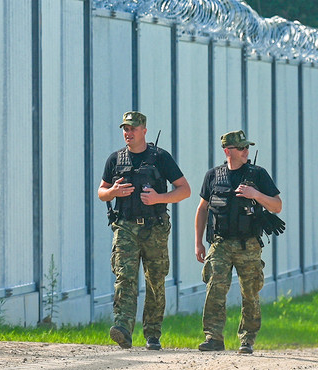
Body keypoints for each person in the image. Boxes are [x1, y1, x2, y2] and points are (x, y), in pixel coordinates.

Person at [98, 111, 191, 350]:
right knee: (125, 278)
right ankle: (123, 328)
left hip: (154, 228)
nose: (128, 133)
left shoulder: (160, 157)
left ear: (144, 130)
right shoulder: (115, 159)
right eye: (125, 129)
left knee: (155, 281)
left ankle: (152, 333)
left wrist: (160, 198)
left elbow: (184, 190)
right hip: (125, 227)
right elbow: (101, 192)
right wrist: (113, 193)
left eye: (132, 129)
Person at [194, 130, 282, 354]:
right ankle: (213, 337)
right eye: (241, 148)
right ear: (228, 151)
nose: (246, 151)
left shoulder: (258, 175)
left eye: (247, 147)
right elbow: (202, 209)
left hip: (248, 244)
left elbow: (277, 206)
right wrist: (198, 243)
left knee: (250, 292)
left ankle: (247, 340)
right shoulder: (213, 176)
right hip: (221, 244)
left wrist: (256, 194)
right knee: (215, 288)